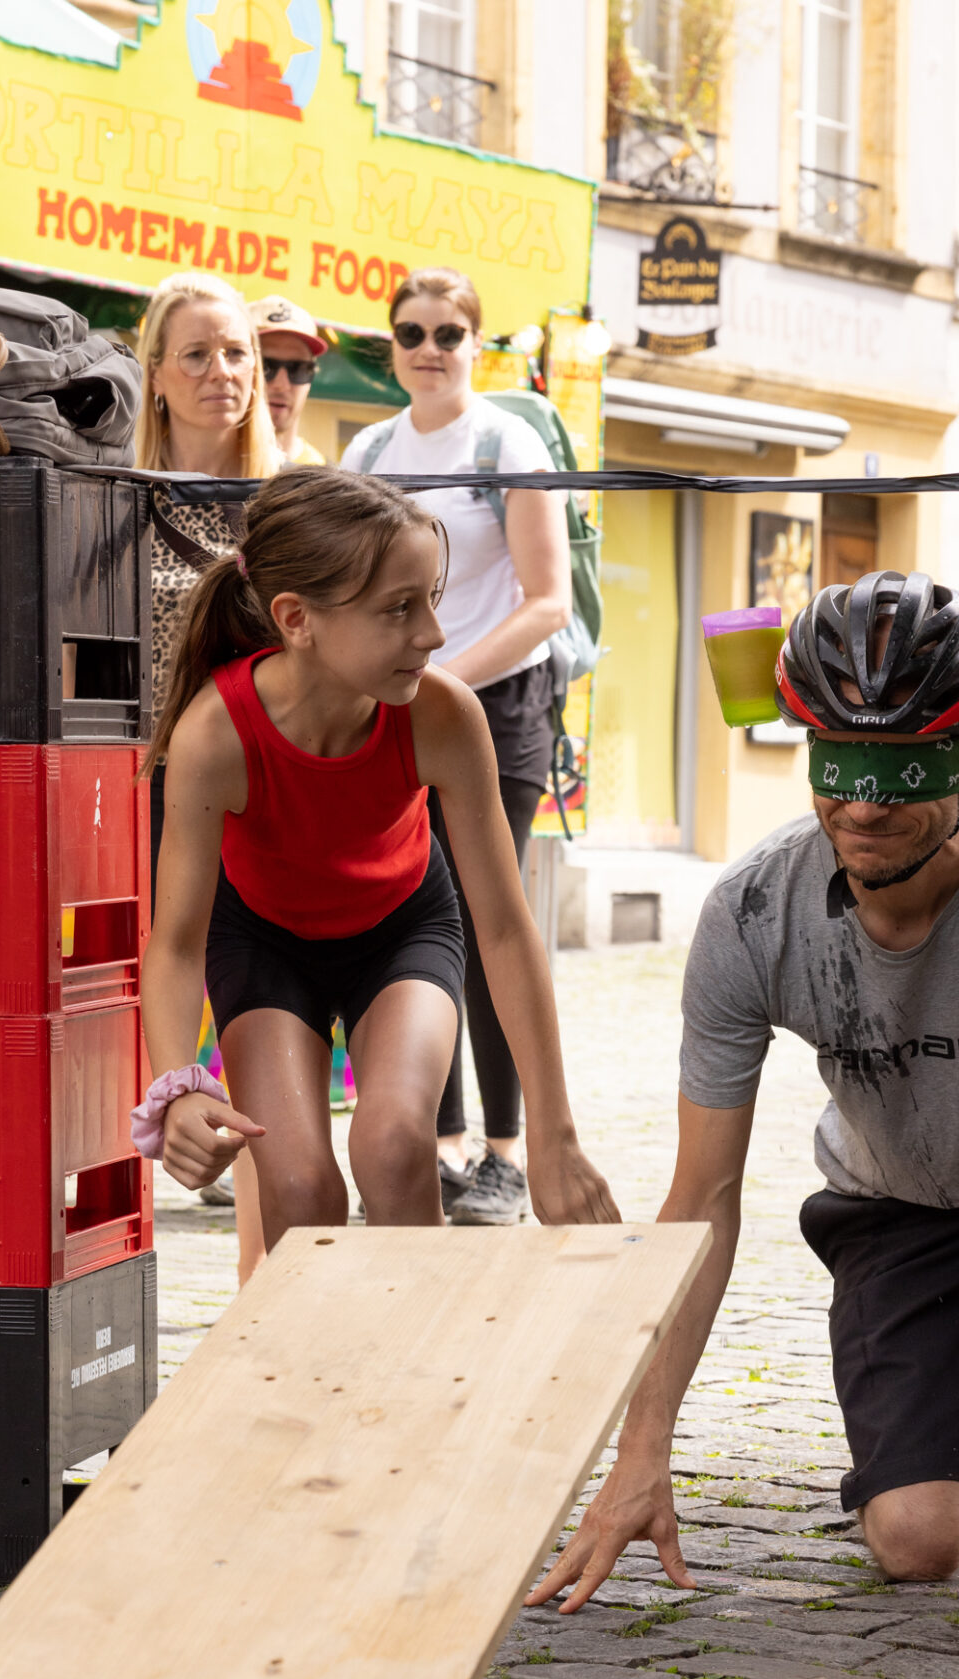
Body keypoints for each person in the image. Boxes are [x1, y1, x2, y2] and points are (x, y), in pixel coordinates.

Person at [530, 572, 959, 1651]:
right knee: (915, 1543)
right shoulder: (753, 913)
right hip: (899, 1194)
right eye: (840, 765)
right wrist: (641, 1449)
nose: (862, 806)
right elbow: (701, 1201)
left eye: (902, 772)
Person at [134, 468, 615, 1250]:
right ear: (297, 619)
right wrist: (178, 1087)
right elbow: (177, 943)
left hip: (402, 931)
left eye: (432, 598)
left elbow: (504, 930)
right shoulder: (214, 733)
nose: (433, 634)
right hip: (261, 944)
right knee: (299, 1187)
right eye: (399, 608)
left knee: (393, 1148)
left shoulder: (443, 713)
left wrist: (554, 1138)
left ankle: (415, 1334)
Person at [340, 267, 571, 1228]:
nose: (428, 349)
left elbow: (546, 601)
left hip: (496, 708)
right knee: (406, 916)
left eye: (447, 333)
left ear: (477, 344)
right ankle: (440, 1145)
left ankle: (506, 1155)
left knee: (485, 918)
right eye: (411, 333)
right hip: (397, 708)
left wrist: (445, 684)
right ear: (390, 347)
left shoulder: (505, 442)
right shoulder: (368, 449)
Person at [135, 275, 282, 1275]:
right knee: (132, 1022)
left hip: (266, 789)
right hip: (143, 793)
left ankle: (260, 1284)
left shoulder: (291, 506)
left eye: (237, 353)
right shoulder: (113, 501)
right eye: (195, 353)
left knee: (261, 1030)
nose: (221, 371)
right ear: (154, 374)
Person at [249, 295, 328, 467]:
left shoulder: (320, 473)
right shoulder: (207, 465)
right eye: (266, 366)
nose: (282, 385)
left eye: (297, 369)